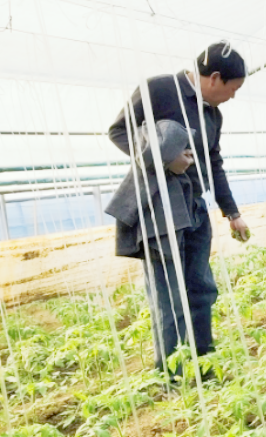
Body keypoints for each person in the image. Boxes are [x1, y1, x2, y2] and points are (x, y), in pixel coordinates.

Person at [105, 41, 251, 374]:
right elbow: (118, 131)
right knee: (168, 294)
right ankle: (171, 373)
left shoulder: (213, 114)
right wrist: (163, 159)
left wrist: (232, 213)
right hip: (162, 209)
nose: (233, 96)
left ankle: (203, 363)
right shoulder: (158, 90)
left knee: (201, 288)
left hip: (195, 208)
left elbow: (213, 162)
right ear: (215, 78)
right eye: (233, 88)